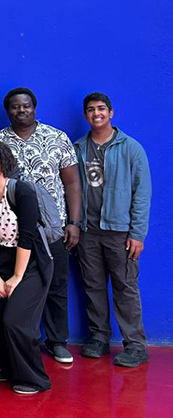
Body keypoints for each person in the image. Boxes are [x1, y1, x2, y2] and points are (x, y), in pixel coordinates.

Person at [0, 87, 82, 364]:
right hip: (13, 231)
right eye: (15, 107)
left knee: (56, 284)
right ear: (8, 110)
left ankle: (57, 342)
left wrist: (74, 222)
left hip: (53, 228)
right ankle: (23, 342)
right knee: (19, 287)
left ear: (34, 107)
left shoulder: (57, 138)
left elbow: (72, 183)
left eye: (26, 106)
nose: (21, 111)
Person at [74, 92, 151, 367]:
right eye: (91, 109)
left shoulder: (131, 148)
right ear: (86, 115)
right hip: (88, 232)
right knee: (93, 286)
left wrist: (137, 234)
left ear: (111, 112)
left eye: (102, 108)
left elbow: (142, 194)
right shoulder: (79, 148)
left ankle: (135, 345)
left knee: (125, 288)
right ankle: (99, 338)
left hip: (120, 232)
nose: (97, 113)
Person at [0, 140, 53, 394]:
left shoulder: (21, 191)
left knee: (15, 321)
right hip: (2, 261)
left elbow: (27, 236)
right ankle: (10, 369)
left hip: (31, 263)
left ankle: (34, 379)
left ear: (5, 163)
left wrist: (17, 277)